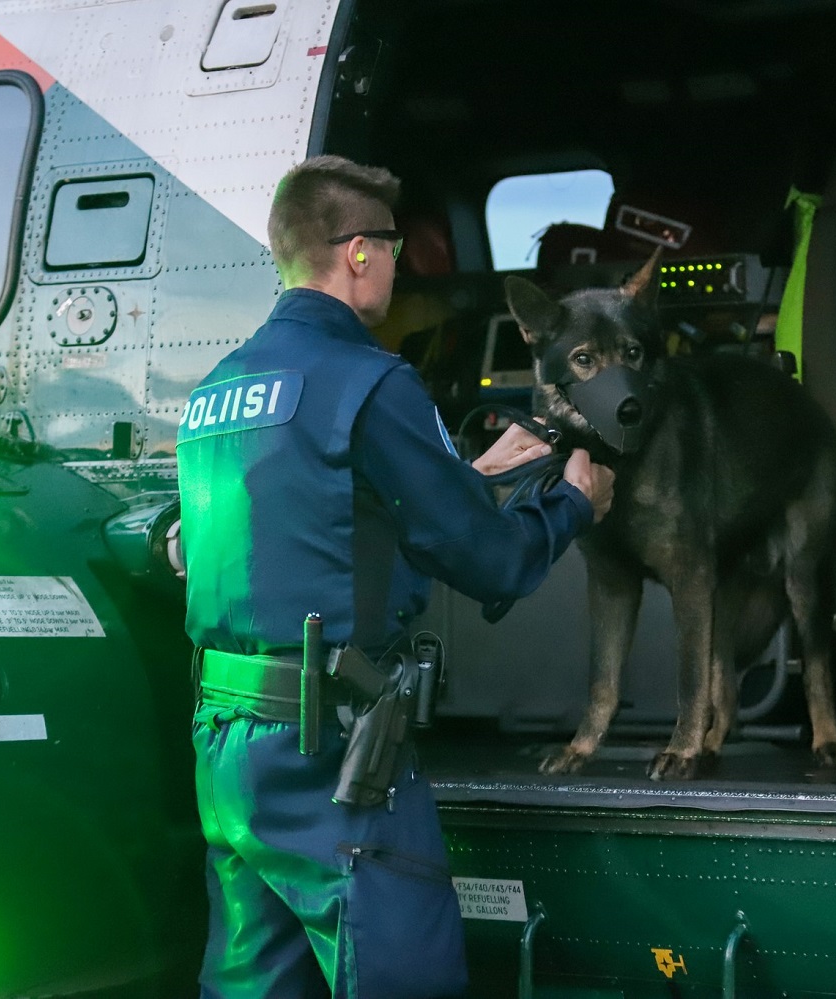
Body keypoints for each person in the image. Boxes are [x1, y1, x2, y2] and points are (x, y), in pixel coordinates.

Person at [176, 155, 613, 999]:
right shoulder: (372, 381)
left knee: (254, 985)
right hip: (329, 754)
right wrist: (570, 506)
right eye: (392, 248)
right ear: (360, 253)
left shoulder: (218, 391)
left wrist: (464, 478)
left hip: (226, 748)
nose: (400, 266)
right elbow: (489, 560)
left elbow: (308, 530)